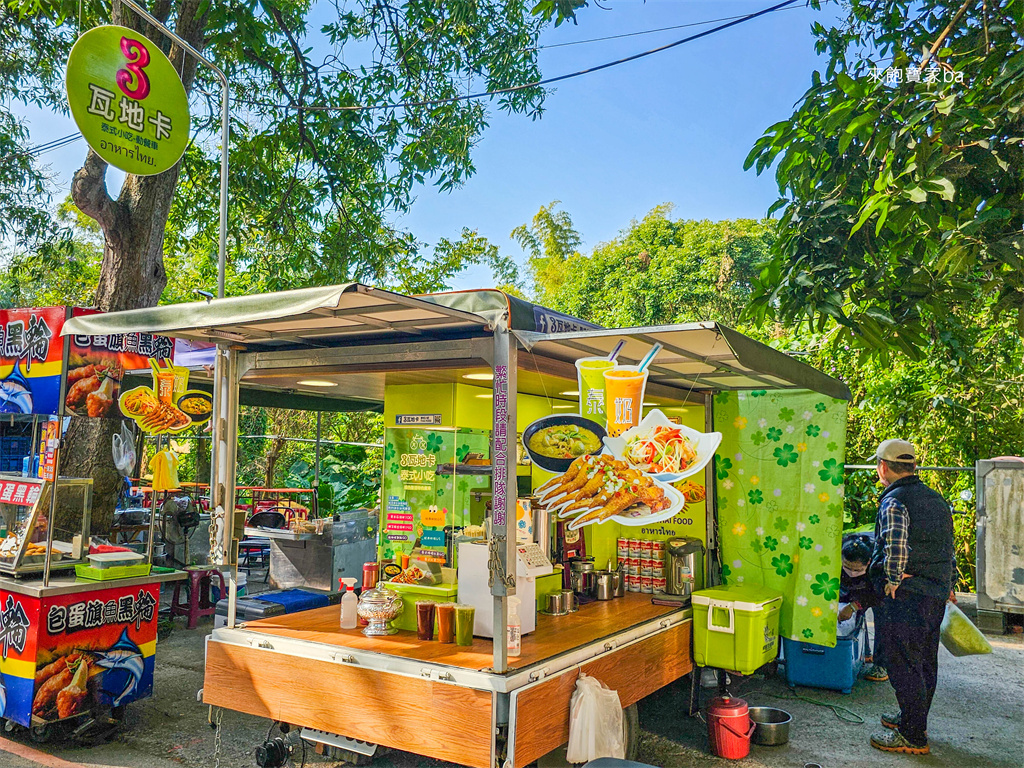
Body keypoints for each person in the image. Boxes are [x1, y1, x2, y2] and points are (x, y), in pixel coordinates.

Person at [867, 439, 957, 755]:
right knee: (924, 662)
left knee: (903, 664)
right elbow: (948, 545)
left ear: (884, 467)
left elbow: (896, 545)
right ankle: (912, 720)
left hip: (909, 595)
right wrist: (949, 583)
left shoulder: (895, 501)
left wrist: (891, 580)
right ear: (913, 466)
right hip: (934, 592)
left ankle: (913, 736)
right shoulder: (935, 499)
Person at [838, 533, 888, 682]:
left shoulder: (879, 565)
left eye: (857, 569)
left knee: (883, 620)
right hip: (848, 587)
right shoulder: (837, 550)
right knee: (855, 618)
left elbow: (876, 595)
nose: (852, 572)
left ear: (868, 562)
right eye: (847, 567)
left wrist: (854, 606)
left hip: (876, 590)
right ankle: (864, 653)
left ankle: (881, 664)